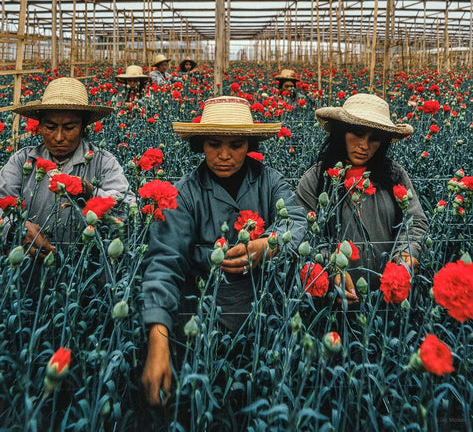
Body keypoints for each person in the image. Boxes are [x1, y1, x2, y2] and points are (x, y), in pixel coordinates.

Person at [141, 95, 308, 406]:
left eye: (236, 145)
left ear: (250, 145)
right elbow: (163, 264)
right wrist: (158, 340)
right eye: (214, 143)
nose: (224, 155)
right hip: (201, 327)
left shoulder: (270, 182)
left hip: (265, 325)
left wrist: (269, 244)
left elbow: (297, 221)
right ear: (201, 143)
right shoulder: (185, 194)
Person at [296, 93, 428, 304]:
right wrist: (331, 271)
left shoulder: (394, 174)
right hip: (334, 302)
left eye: (374, 138)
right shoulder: (315, 179)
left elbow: (415, 222)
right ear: (341, 132)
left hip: (388, 300)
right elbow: (302, 233)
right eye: (357, 133)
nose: (364, 145)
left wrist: (406, 254)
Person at [0, 77, 135, 256]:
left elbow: (128, 211)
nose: (58, 137)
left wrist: (90, 192)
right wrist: (17, 228)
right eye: (50, 126)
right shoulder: (22, 161)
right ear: (39, 126)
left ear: (83, 126)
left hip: (84, 269)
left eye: (69, 127)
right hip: (28, 269)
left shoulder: (103, 162)